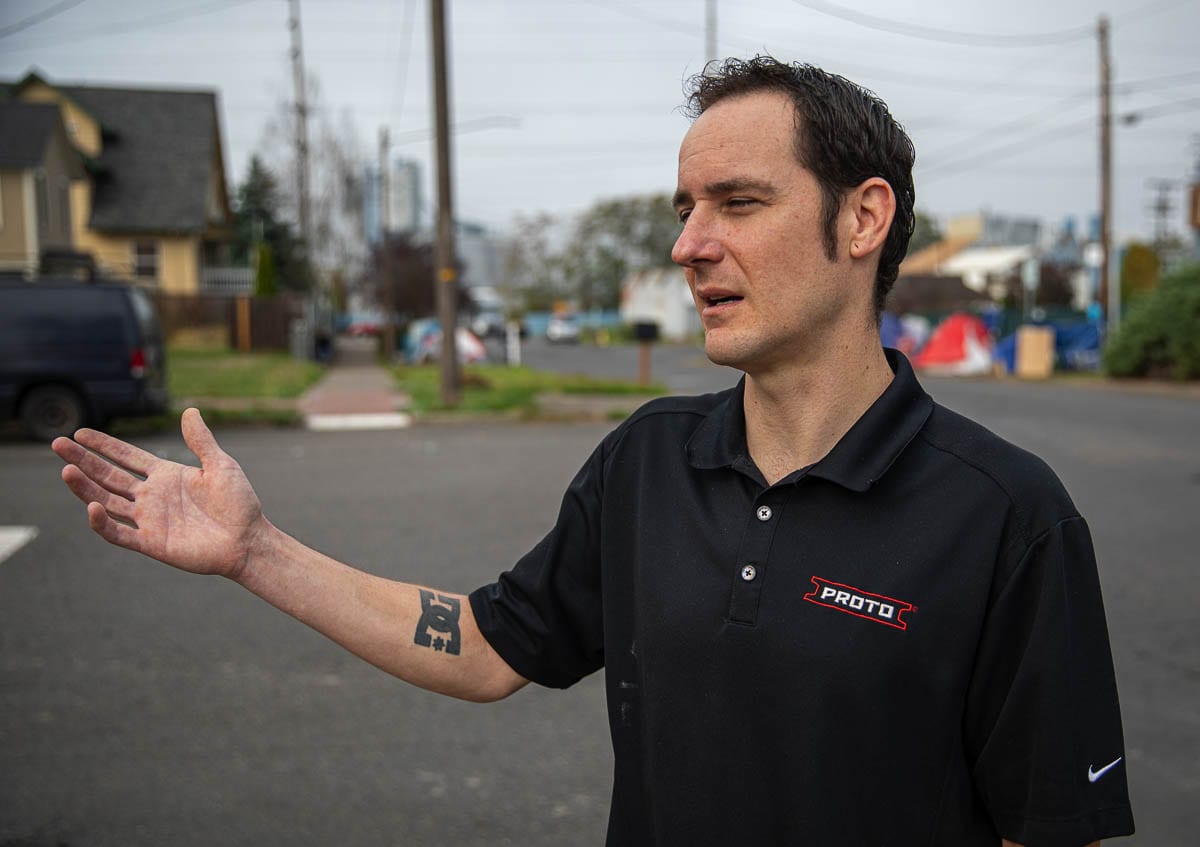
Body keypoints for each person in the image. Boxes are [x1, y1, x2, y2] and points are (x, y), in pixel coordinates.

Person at [53, 56, 1132, 846]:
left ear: (864, 220)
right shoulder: (647, 463)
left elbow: (1047, 826)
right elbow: (483, 645)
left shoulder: (1005, 515)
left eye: (739, 203)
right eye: (685, 207)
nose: (687, 244)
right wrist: (258, 551)